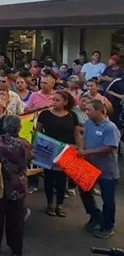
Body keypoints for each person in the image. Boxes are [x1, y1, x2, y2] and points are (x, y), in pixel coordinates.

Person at [0, 114, 32, 256]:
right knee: (17, 220)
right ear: (19, 127)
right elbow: (28, 161)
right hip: (18, 186)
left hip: (0, 184)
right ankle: (15, 248)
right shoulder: (24, 144)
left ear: (4, 126)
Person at [35, 91, 81, 217]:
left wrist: (80, 148)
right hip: (49, 150)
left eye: (57, 100)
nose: (54, 102)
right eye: (53, 100)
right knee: (49, 178)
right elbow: (38, 133)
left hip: (66, 151)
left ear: (65, 102)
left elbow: (76, 134)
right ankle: (50, 203)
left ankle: (59, 204)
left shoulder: (72, 116)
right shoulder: (45, 114)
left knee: (62, 179)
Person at [80, 99, 120, 238]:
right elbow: (84, 140)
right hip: (89, 168)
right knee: (84, 192)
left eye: (89, 110)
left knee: (108, 200)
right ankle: (96, 216)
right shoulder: (88, 124)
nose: (87, 112)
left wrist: (88, 152)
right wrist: (82, 150)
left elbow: (110, 147)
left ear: (99, 111)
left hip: (107, 171)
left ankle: (108, 226)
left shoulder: (110, 127)